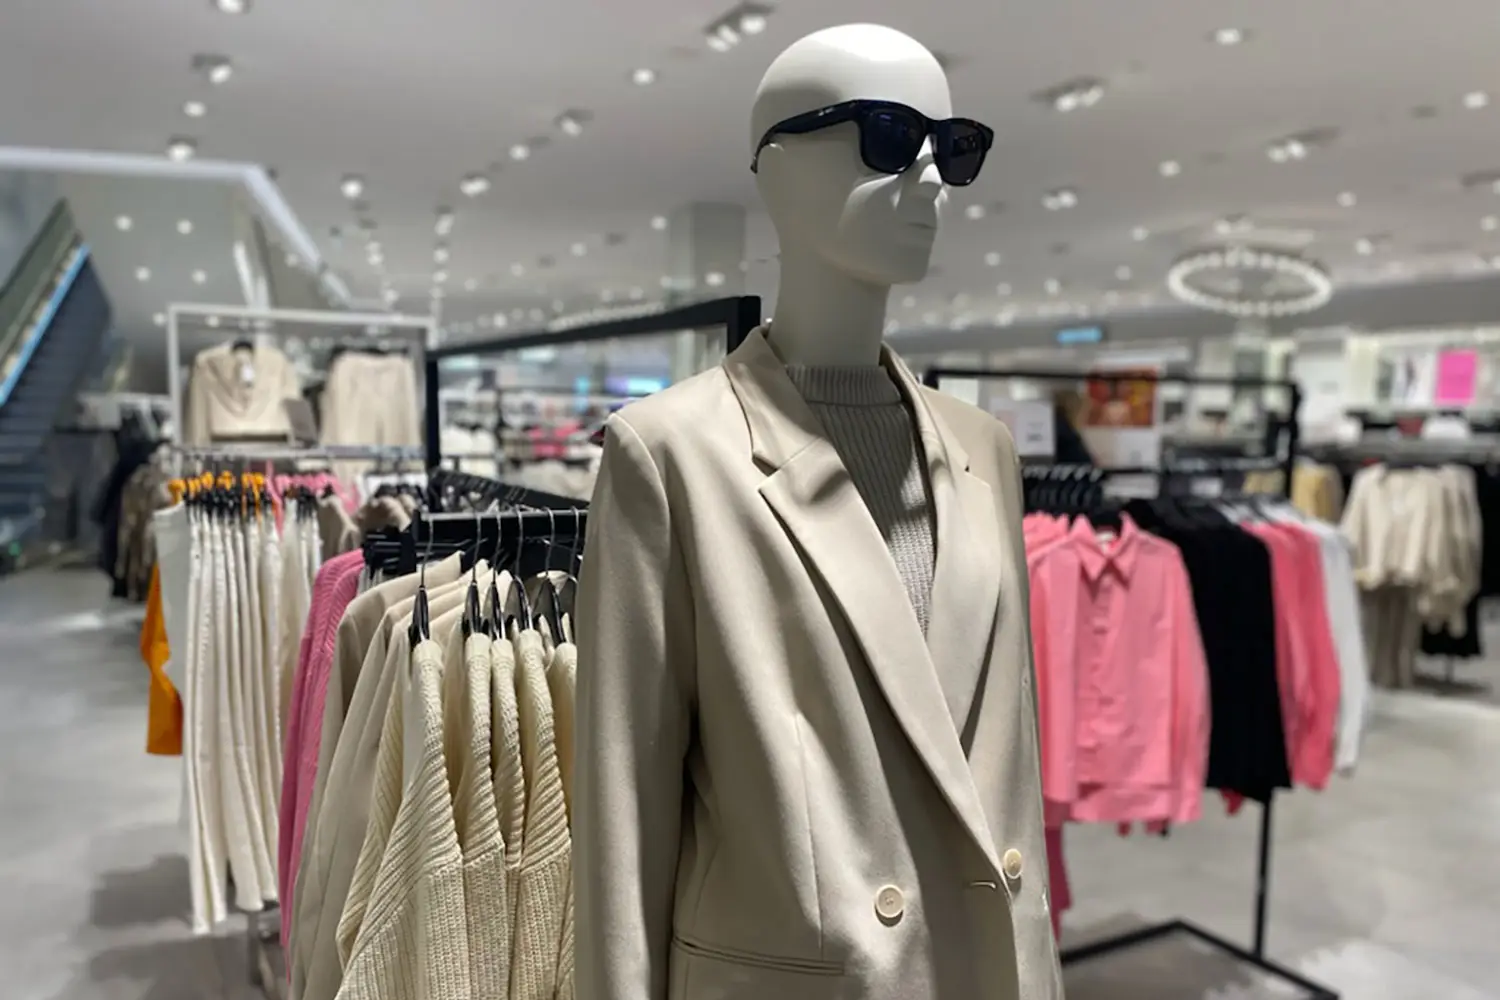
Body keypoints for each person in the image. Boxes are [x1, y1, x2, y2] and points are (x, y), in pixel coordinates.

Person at [1052, 386, 1095, 464]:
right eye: (1085, 412)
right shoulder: (1066, 437)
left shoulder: (1059, 430)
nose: (1085, 417)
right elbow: (1083, 463)